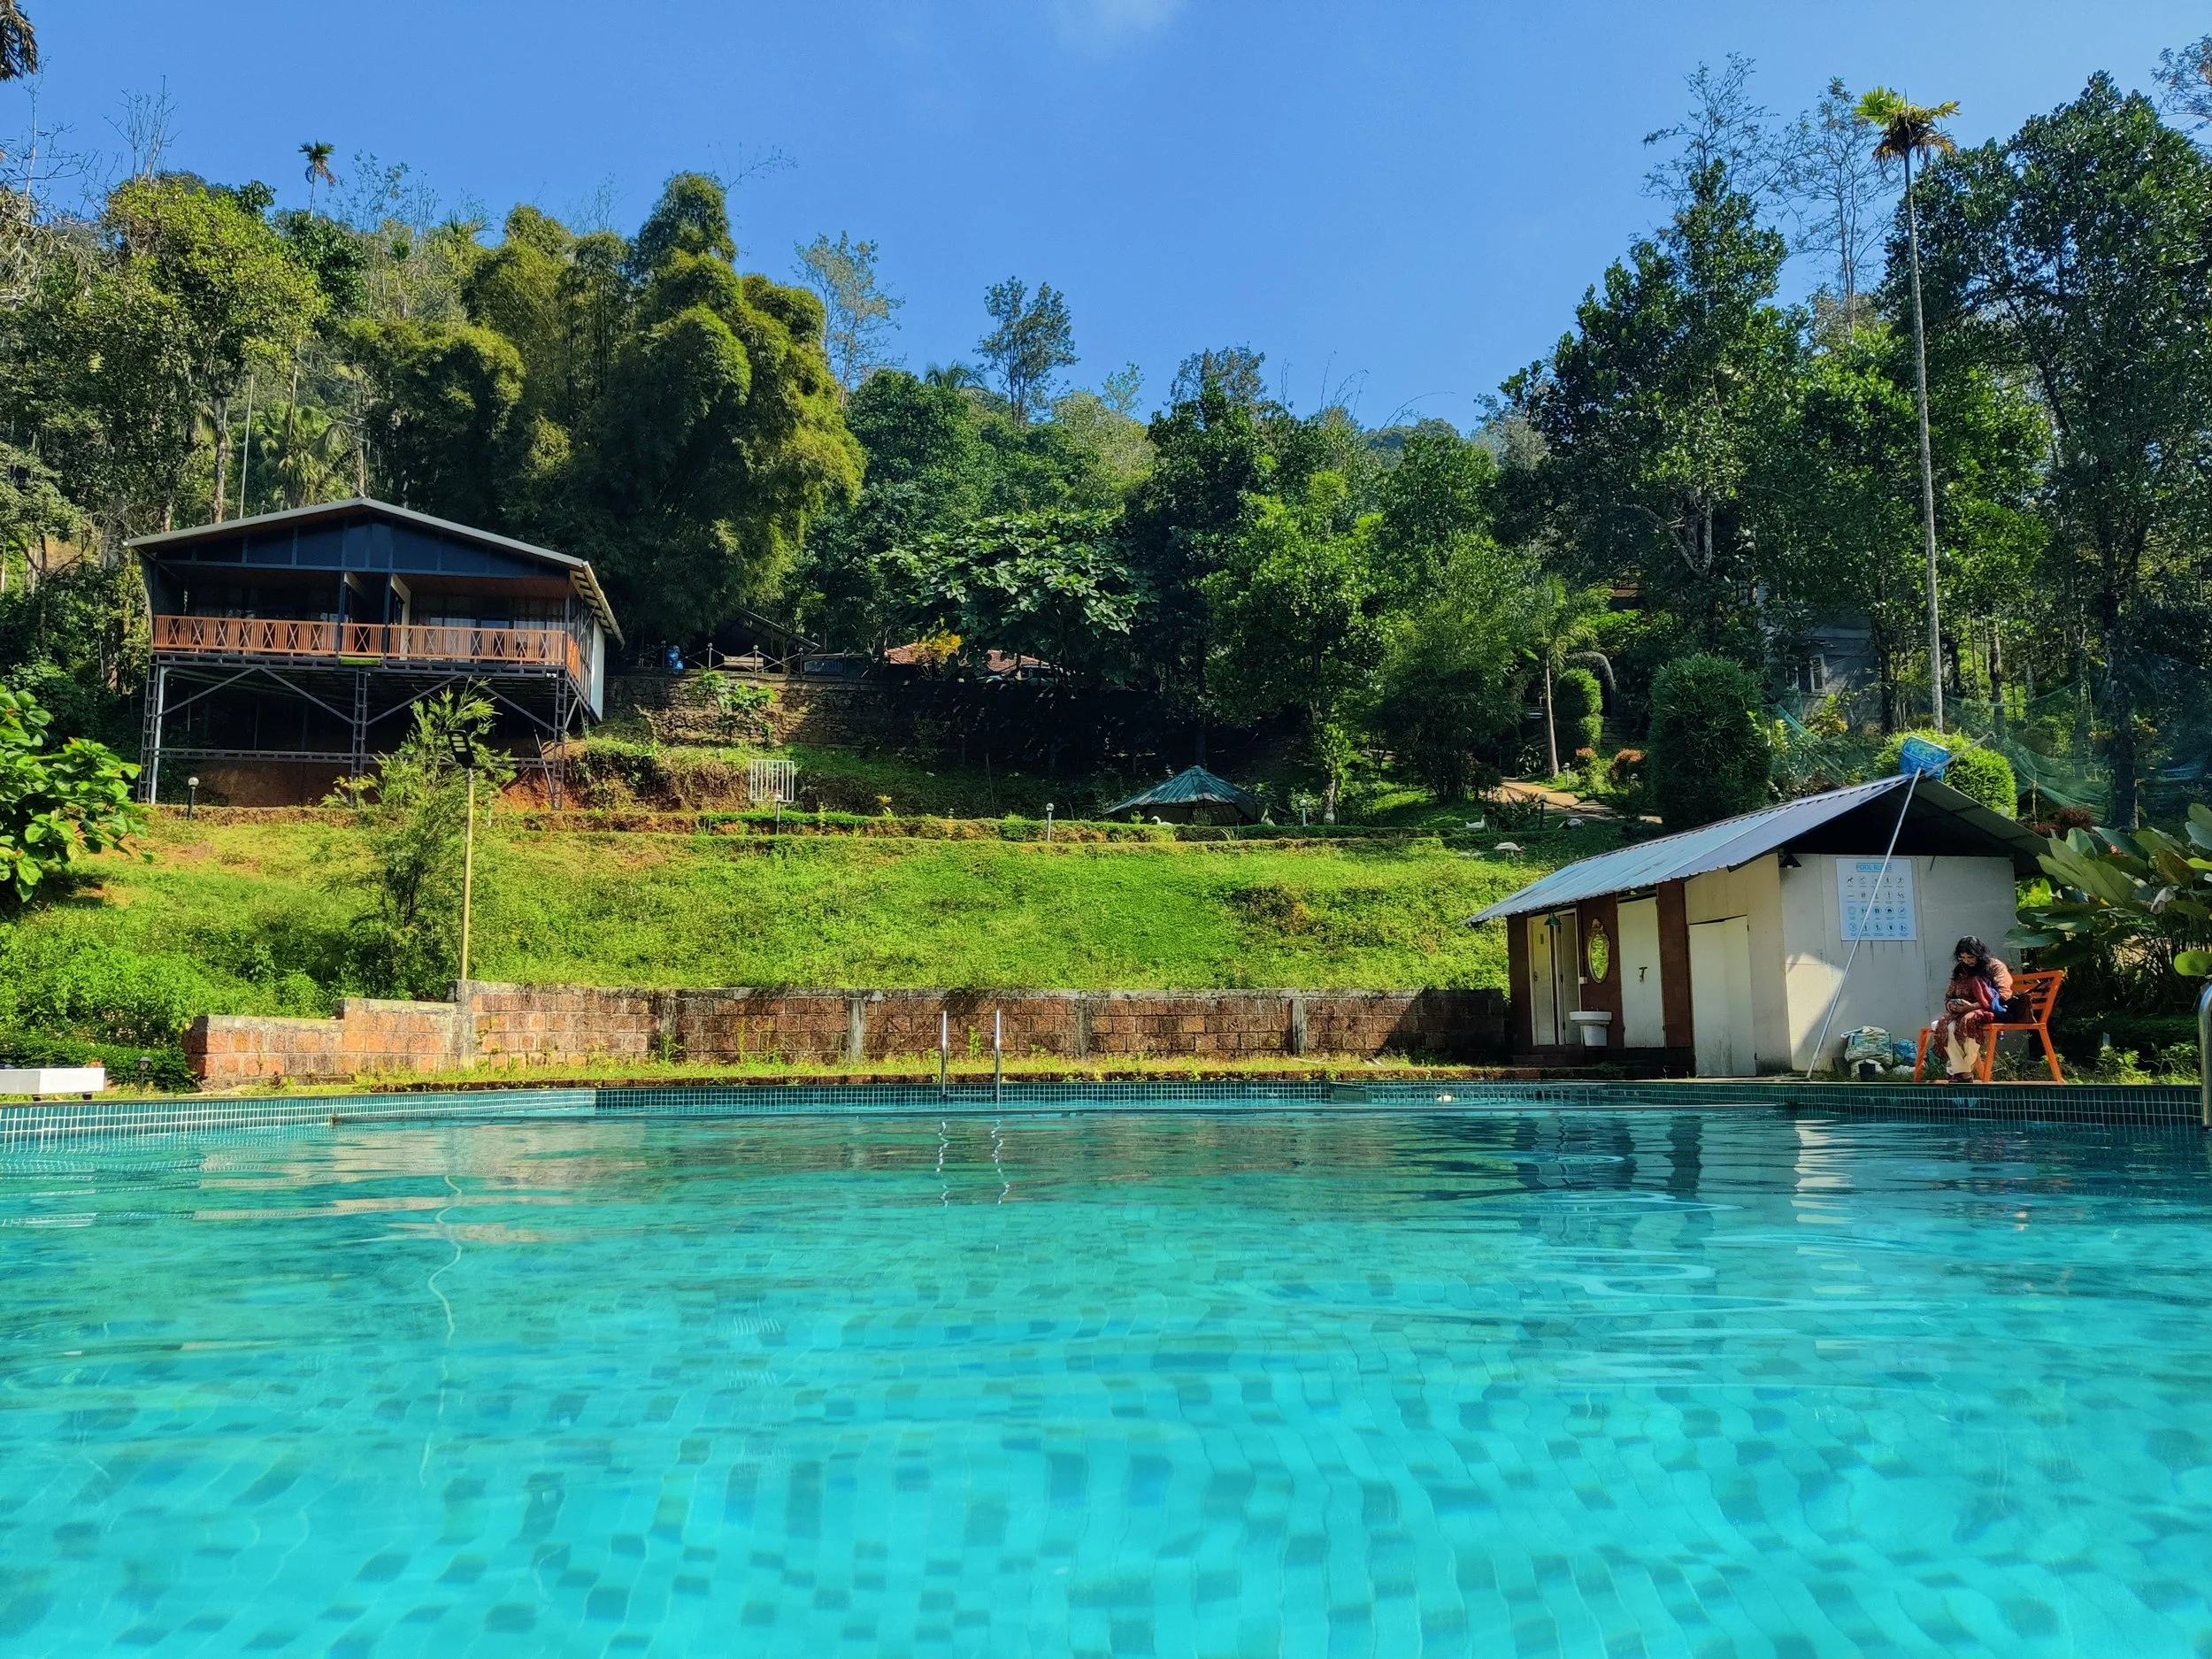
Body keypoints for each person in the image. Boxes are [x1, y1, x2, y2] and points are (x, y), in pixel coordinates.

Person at [1933, 935, 2003, 1082]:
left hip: (1987, 1009)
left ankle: (1959, 1071)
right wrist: (1952, 1006)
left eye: (1970, 957)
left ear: (1980, 954)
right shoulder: (1960, 970)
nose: (1967, 961)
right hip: (1960, 1012)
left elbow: (2003, 995)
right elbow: (1949, 996)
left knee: (1968, 1021)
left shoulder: (1994, 967)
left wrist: (1973, 1006)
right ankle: (1965, 1073)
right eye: (1962, 957)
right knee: (1946, 1025)